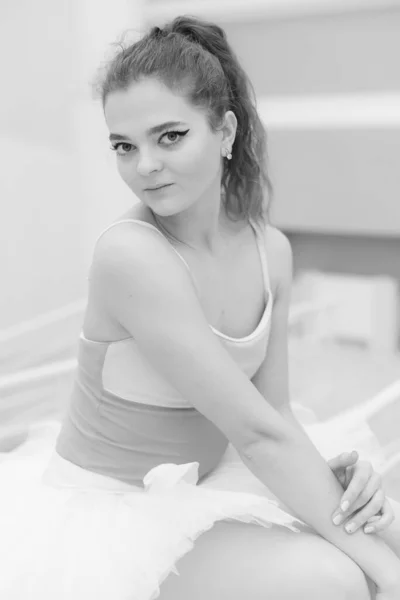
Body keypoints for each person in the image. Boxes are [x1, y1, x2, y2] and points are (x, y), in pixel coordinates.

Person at [0, 14, 399, 600]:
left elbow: (276, 414)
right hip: (114, 512)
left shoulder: (272, 251)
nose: (145, 166)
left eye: (169, 136)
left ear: (226, 131)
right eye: (123, 146)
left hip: (210, 478)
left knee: (380, 526)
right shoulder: (131, 257)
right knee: (337, 576)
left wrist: (372, 536)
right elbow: (258, 433)